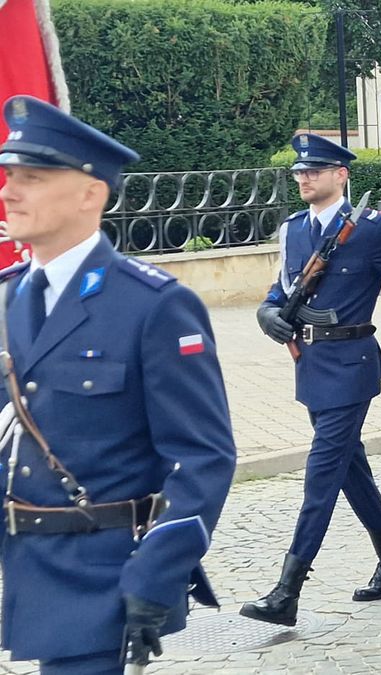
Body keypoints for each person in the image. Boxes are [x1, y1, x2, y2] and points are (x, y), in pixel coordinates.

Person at [0, 95, 236, 674]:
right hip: (20, 564)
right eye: (9, 177)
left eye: (31, 178)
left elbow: (203, 456)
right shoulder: (5, 295)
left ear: (90, 193)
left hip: (101, 572)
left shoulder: (152, 306)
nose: (9, 192)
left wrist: (156, 573)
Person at [243, 133, 381, 627]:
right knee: (348, 464)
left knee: (321, 474)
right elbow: (281, 288)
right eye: (299, 171)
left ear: (341, 175)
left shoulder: (371, 229)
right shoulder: (294, 229)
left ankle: (287, 589)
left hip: (351, 364)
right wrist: (265, 312)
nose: (303, 177)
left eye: (313, 171)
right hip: (311, 364)